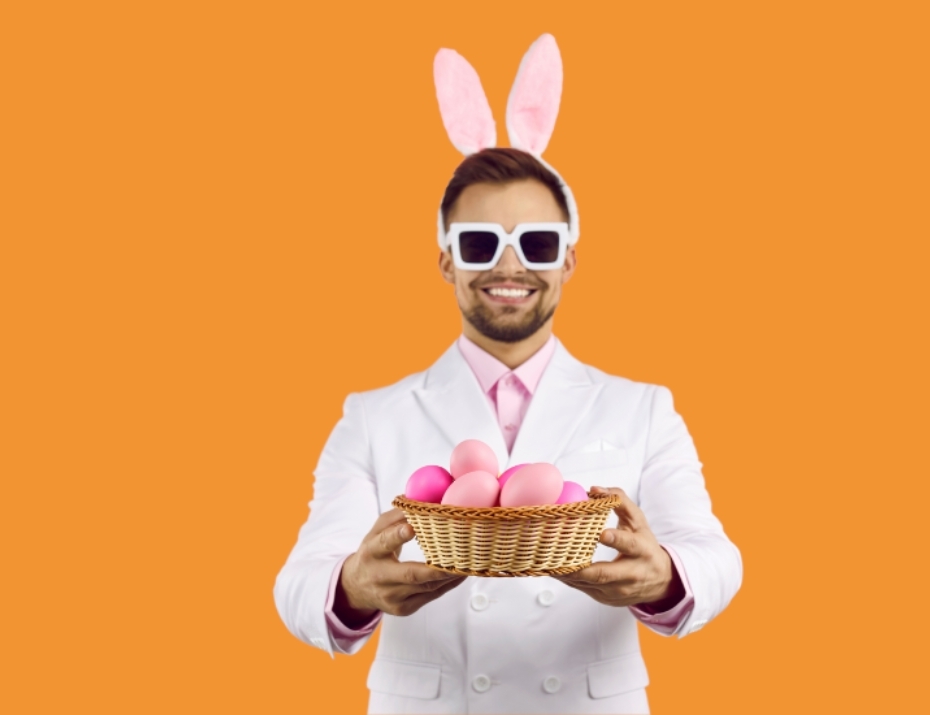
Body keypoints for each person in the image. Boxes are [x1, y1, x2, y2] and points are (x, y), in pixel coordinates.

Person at [274, 35, 742, 715]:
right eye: (479, 242)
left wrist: (666, 577)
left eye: (538, 243)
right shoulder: (373, 415)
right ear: (446, 260)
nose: (509, 266)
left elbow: (716, 553)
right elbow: (298, 581)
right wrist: (350, 585)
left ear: (569, 260)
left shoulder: (643, 408)